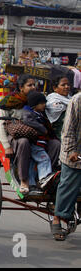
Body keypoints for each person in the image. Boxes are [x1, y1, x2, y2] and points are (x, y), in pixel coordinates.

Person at [0, 74, 61, 195]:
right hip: (15, 136)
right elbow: (0, 124)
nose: (33, 87)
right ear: (21, 87)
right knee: (24, 141)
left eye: (34, 85)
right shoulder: (10, 101)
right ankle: (24, 180)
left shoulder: (37, 101)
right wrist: (6, 146)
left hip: (36, 137)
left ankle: (45, 178)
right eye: (29, 85)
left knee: (56, 144)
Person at [51, 92, 81, 241]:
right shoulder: (77, 100)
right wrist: (72, 150)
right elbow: (68, 129)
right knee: (69, 184)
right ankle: (57, 217)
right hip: (74, 152)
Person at [22, 91, 59, 192]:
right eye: (42, 103)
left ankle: (32, 184)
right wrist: (43, 129)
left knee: (33, 162)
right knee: (44, 159)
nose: (44, 105)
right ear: (35, 105)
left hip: (40, 143)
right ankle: (44, 180)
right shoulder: (29, 114)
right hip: (35, 143)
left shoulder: (39, 114)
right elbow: (28, 122)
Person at [45, 75, 71, 140]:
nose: (67, 87)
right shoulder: (52, 100)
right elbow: (56, 109)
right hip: (59, 134)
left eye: (68, 84)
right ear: (55, 88)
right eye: (63, 85)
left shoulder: (70, 99)